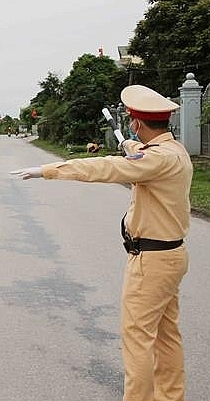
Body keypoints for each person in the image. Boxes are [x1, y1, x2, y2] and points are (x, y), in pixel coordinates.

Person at [11, 84, 191, 401]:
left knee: (137, 338)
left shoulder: (156, 160)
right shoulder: (174, 152)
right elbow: (146, 158)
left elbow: (105, 166)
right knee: (165, 335)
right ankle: (171, 396)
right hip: (171, 256)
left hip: (151, 261)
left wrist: (47, 170)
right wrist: (135, 150)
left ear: (135, 122)